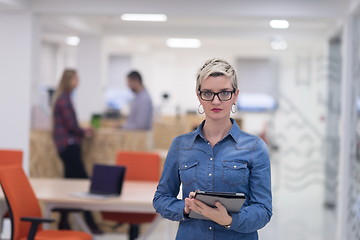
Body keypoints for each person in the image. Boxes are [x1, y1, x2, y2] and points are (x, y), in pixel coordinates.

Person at [153, 58, 272, 239]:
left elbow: (263, 210)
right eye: (208, 93)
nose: (216, 101)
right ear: (199, 96)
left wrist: (228, 220)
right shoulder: (180, 145)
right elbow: (161, 199)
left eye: (224, 93)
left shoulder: (255, 147)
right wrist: (185, 208)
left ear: (235, 95)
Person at [52, 69, 102, 234]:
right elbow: (71, 126)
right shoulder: (64, 99)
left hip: (65, 146)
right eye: (75, 79)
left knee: (69, 184)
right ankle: (90, 224)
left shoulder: (63, 98)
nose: (78, 82)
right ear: (69, 80)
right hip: (69, 146)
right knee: (84, 183)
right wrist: (84, 132)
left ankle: (63, 223)